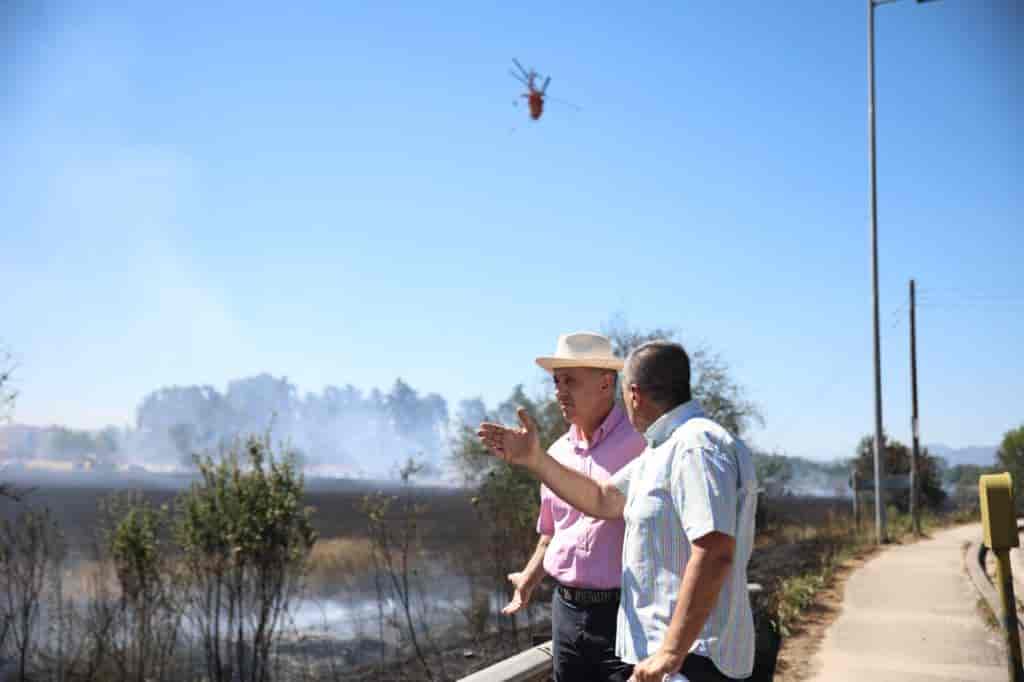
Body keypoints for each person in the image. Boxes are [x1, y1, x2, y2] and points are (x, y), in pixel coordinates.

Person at [479, 340, 758, 682]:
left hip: (695, 659)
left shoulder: (695, 446)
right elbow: (602, 499)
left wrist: (671, 653)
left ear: (634, 394)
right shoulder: (661, 450)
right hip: (669, 658)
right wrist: (536, 459)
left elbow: (714, 551)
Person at [503, 331, 645, 682]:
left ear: (605, 384)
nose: (559, 392)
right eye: (556, 382)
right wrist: (529, 578)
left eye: (570, 381)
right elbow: (551, 533)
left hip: (626, 612)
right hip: (565, 610)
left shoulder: (642, 444)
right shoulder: (554, 454)